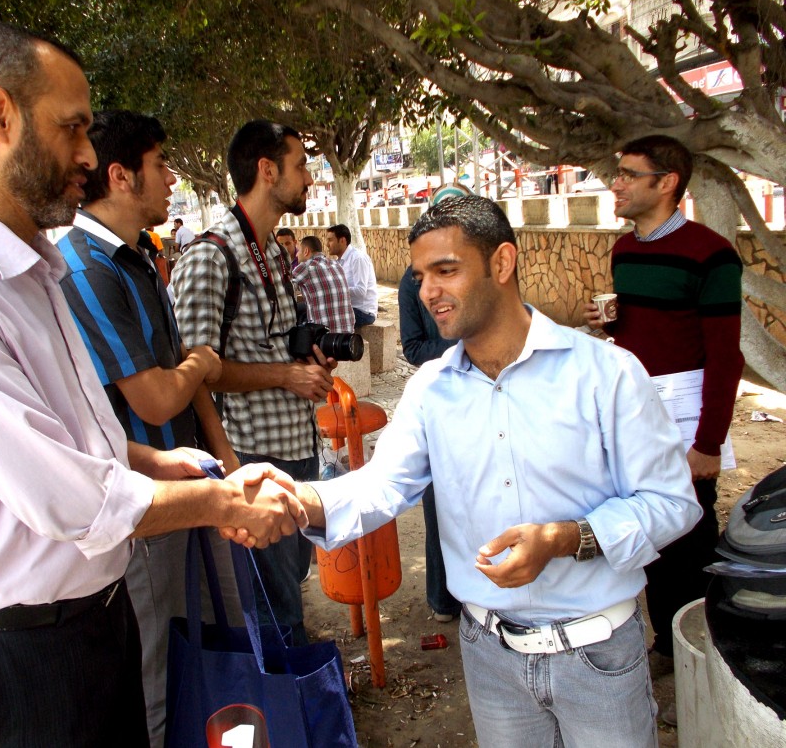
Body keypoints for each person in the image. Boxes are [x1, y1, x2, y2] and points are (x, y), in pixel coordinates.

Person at [0, 24, 304, 748]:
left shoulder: (30, 266)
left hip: (93, 621)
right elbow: (69, 495)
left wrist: (152, 460)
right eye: (72, 128)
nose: (89, 157)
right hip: (16, 661)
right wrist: (220, 499)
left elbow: (67, 433)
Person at [286, 195, 700, 747]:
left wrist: (564, 538)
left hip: (598, 654)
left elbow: (673, 502)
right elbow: (383, 484)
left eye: (446, 271)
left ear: (501, 263)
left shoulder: (606, 374)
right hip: (490, 658)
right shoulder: (431, 389)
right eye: (419, 276)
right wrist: (297, 503)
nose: (428, 291)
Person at [56, 109, 240, 748]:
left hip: (195, 481)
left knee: (217, 641)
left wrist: (226, 458)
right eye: (160, 164)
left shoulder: (139, 254)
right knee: (161, 667)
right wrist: (201, 364)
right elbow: (161, 397)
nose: (170, 179)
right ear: (120, 176)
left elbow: (180, 375)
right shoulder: (83, 268)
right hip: (146, 503)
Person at [583, 135, 744, 672]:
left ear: (667, 182)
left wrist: (709, 444)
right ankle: (665, 645)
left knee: (691, 537)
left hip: (686, 418)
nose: (616, 183)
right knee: (644, 525)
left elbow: (726, 356)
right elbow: (641, 331)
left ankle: (703, 650)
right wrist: (608, 323)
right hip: (632, 411)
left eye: (628, 174)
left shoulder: (712, 254)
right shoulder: (625, 249)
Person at [173, 119, 335, 643]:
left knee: (289, 587)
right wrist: (286, 376)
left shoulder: (272, 250)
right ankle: (289, 708)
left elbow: (266, 342)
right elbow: (196, 372)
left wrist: (305, 359)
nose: (309, 178)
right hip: (253, 456)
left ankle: (295, 698)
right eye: (301, 165)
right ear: (267, 171)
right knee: (272, 609)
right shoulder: (210, 255)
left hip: (295, 446)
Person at [397, 264, 460, 623]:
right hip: (443, 402)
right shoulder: (412, 282)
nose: (431, 290)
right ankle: (443, 598)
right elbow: (414, 347)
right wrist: (462, 343)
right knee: (439, 505)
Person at [292, 234, 354, 333]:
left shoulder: (305, 267)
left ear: (306, 251)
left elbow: (285, 289)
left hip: (323, 335)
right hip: (347, 335)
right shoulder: (336, 265)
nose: (296, 254)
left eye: (299, 251)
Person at [325, 223, 378, 327]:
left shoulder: (358, 258)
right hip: (347, 308)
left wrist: (336, 290)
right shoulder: (338, 262)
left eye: (330, 240)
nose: (327, 244)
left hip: (363, 312)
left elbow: (361, 291)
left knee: (324, 316)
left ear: (342, 240)